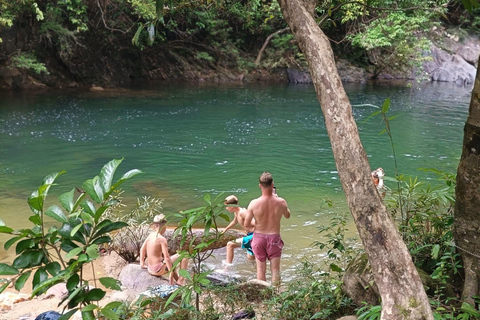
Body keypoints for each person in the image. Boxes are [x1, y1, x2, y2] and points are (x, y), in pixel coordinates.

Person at [244, 172, 290, 286]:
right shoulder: (281, 202)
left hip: (258, 238)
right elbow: (288, 215)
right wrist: (278, 199)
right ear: (272, 184)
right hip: (274, 238)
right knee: (275, 270)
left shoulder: (254, 203)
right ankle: (276, 296)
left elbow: (246, 225)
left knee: (260, 270)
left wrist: (258, 223)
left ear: (260, 186)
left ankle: (263, 297)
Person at [140, 214, 188, 285]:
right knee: (184, 255)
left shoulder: (151, 235)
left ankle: (178, 281)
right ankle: (181, 280)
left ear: (154, 225)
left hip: (150, 269)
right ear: (163, 226)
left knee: (170, 262)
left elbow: (142, 249)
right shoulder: (162, 239)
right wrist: (170, 273)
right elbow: (167, 257)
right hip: (158, 270)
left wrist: (142, 263)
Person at [221, 195, 255, 265]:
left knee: (230, 244)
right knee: (251, 258)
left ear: (232, 206)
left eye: (227, 206)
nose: (226, 208)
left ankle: (227, 268)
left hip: (254, 235)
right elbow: (234, 221)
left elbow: (255, 223)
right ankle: (256, 273)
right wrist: (225, 230)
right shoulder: (236, 212)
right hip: (250, 235)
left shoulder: (242, 212)